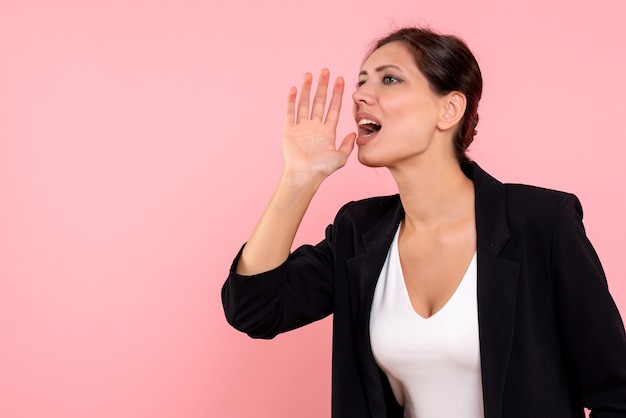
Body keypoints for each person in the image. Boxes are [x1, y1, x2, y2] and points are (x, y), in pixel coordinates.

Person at [221, 27, 626, 418]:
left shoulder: (540, 222)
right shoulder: (358, 231)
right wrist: (298, 179)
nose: (361, 95)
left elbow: (618, 394)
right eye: (362, 82)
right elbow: (255, 310)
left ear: (448, 109)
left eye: (390, 79)